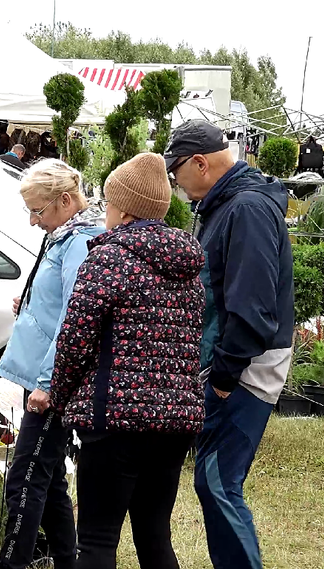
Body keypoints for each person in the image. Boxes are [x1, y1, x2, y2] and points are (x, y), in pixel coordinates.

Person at [49, 153, 206, 569]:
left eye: (108, 201)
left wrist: (62, 400)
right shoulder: (187, 268)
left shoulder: (108, 259)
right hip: (175, 423)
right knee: (155, 536)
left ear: (123, 208)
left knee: (98, 540)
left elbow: (74, 341)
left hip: (114, 421)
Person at [164, 120, 294, 569]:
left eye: (175, 172)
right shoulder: (228, 204)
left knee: (219, 482)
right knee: (213, 481)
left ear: (199, 163)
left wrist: (223, 375)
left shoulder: (247, 209)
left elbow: (253, 306)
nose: (176, 185)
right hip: (235, 363)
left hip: (246, 368)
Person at [0, 159, 103, 569]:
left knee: (25, 477)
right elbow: (57, 300)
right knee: (50, 475)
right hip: (44, 372)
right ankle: (66, 559)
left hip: (54, 380)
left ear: (64, 200)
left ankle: (13, 561)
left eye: (37, 211)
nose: (32, 220)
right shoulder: (63, 233)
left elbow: (75, 318)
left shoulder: (79, 241)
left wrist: (48, 382)